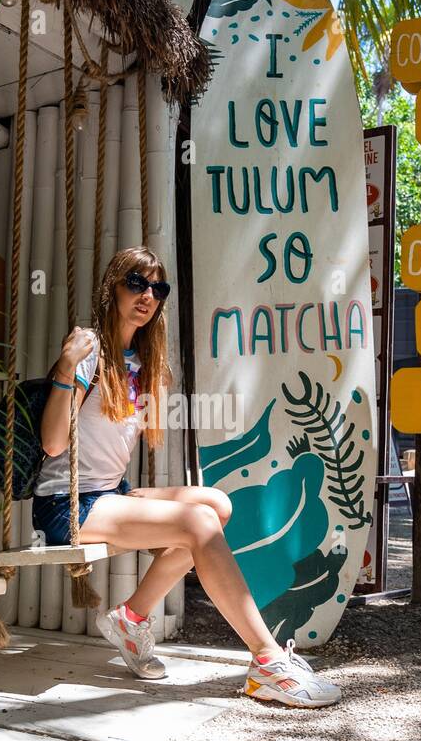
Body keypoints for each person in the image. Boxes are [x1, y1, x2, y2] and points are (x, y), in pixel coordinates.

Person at [33, 246, 341, 708]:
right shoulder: (90, 351)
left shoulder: (141, 358)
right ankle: (267, 661)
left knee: (216, 504)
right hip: (68, 501)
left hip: (110, 492)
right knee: (199, 525)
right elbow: (55, 444)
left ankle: (131, 619)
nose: (147, 295)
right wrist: (64, 367)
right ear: (111, 288)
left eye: (158, 288)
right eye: (135, 283)